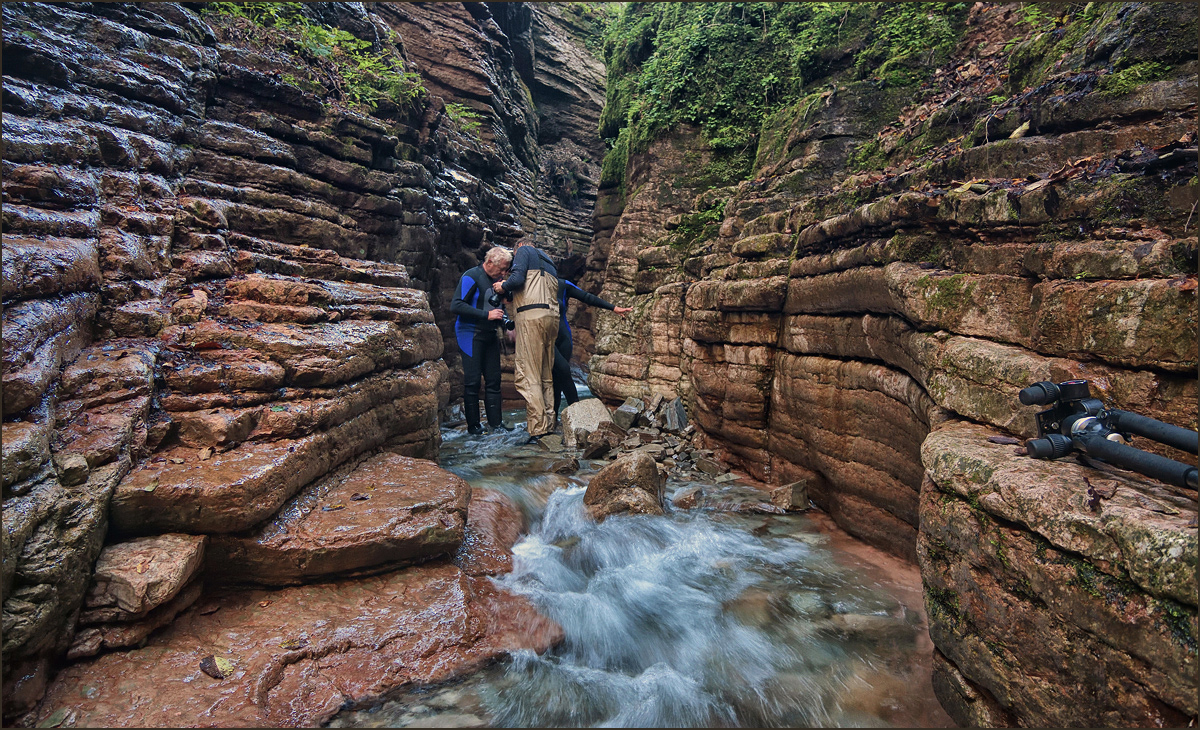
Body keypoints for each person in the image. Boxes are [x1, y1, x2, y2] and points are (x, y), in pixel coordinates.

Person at [493, 238, 559, 443]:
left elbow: (518, 280)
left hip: (531, 318)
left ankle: (537, 429)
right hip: (551, 318)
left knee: (528, 374)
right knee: (545, 374)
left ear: (517, 248)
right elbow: (533, 287)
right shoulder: (548, 261)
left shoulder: (524, 250)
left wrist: (502, 286)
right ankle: (548, 422)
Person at [451, 246, 512, 435]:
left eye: (505, 270)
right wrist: (487, 315)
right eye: (501, 269)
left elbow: (499, 308)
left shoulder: (498, 282)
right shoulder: (472, 276)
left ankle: (496, 424)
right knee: (473, 382)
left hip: (490, 334)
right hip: (470, 333)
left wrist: (506, 321)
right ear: (489, 262)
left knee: (494, 380)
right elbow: (456, 305)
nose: (503, 273)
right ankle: (474, 428)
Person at [553, 279, 632, 414]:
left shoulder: (562, 284)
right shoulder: (532, 284)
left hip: (563, 337)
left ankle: (571, 416)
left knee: (561, 377)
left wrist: (613, 308)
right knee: (560, 371)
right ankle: (558, 415)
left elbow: (586, 297)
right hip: (546, 338)